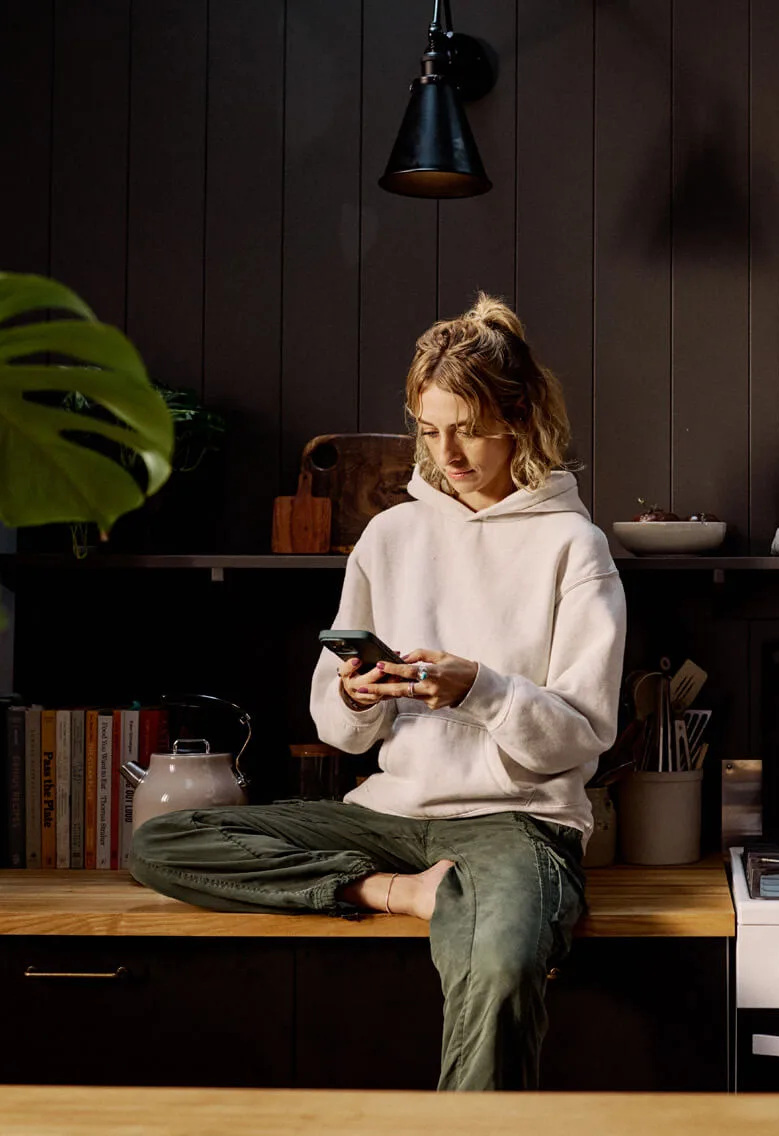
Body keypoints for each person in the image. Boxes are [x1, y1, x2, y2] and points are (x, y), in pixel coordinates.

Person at [130, 294, 627, 1091]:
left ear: (518, 414)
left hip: (517, 824)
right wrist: (361, 697)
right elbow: (340, 730)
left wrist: (479, 688)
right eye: (430, 430)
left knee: (501, 966)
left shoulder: (574, 545)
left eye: (467, 426)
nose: (449, 451)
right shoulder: (390, 537)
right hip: (389, 822)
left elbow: (582, 736)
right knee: (160, 842)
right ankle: (401, 894)